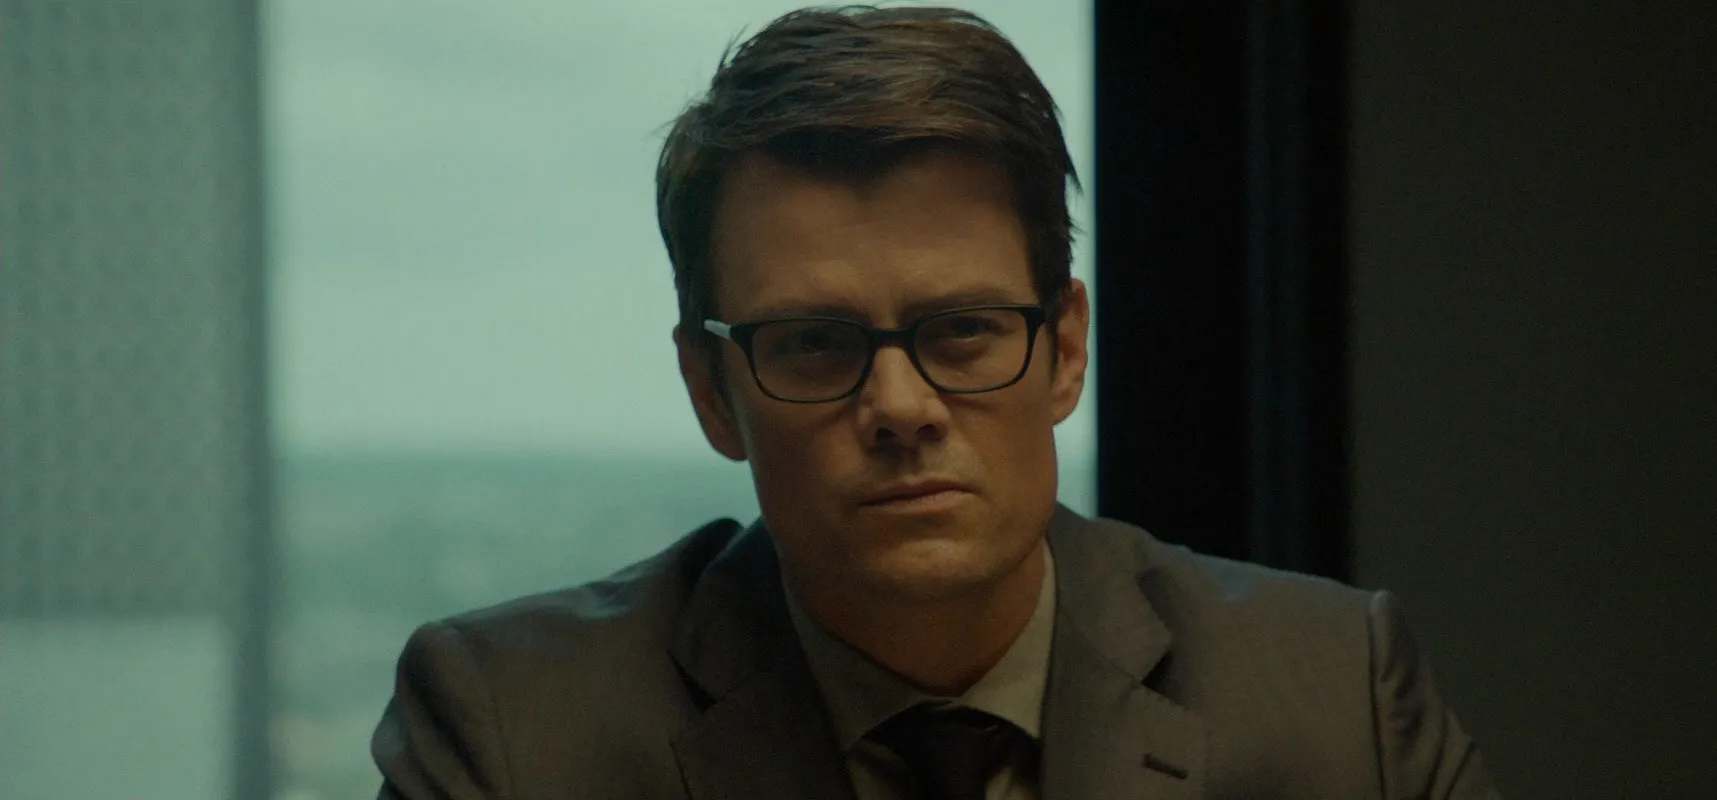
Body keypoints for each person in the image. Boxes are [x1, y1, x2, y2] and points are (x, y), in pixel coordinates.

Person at [371, 6, 1499, 799]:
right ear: (712, 390)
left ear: (1066, 350)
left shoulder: (1333, 700)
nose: (901, 406)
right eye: (816, 344)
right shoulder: (515, 734)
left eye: (961, 330)